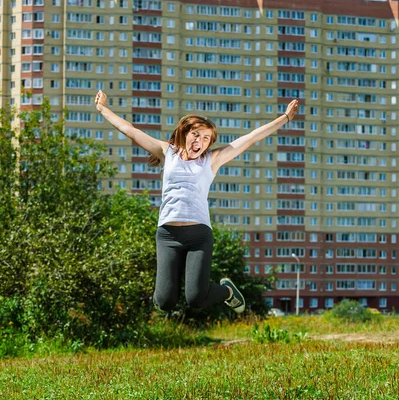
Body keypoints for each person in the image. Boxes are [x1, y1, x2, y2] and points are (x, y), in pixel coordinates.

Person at [95, 90, 299, 314]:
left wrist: (285, 117)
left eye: (206, 139)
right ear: (185, 133)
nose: (200, 142)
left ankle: (227, 291)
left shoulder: (211, 160)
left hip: (198, 235)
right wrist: (103, 108)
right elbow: (131, 130)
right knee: (164, 302)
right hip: (167, 235)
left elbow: (251, 137)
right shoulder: (167, 152)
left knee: (195, 298)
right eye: (196, 134)